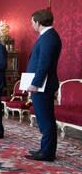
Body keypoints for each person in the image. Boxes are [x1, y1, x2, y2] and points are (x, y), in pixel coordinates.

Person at [24, 9, 62, 162]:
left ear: (38, 22)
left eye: (32, 22)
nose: (31, 25)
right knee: (43, 118)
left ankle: (47, 153)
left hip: (43, 85)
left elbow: (44, 64)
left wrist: (35, 83)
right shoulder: (46, 36)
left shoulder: (49, 38)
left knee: (46, 119)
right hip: (42, 85)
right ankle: (44, 149)